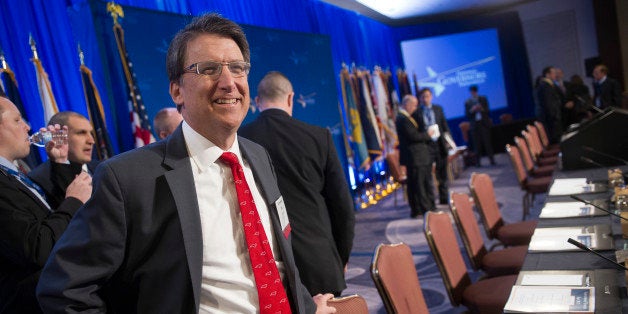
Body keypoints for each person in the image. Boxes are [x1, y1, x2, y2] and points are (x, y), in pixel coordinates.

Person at [36, 14, 335, 313]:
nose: (229, 83)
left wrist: (307, 306)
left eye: (237, 68)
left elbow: (277, 261)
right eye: (209, 69)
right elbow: (64, 290)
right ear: (177, 90)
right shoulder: (127, 178)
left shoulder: (258, 156)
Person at [239, 71, 355, 296]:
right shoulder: (319, 136)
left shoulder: (240, 140)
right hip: (319, 261)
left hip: (266, 268)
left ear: (256, 101)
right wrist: (340, 256)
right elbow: (343, 208)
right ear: (291, 98)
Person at [0, 96, 92, 313]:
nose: (27, 127)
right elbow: (39, 247)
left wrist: (60, 163)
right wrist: (74, 201)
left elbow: (53, 219)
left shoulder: (14, 175)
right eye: (17, 120)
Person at [28, 111, 98, 209]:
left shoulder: (101, 168)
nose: (91, 141)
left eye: (91, 133)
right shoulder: (39, 180)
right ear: (59, 136)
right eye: (81, 133)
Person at [395, 95, 434, 217]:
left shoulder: (406, 117)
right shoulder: (402, 119)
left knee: (417, 184)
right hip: (414, 157)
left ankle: (419, 208)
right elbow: (413, 136)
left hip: (417, 157)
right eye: (413, 105)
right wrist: (428, 135)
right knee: (418, 185)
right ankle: (423, 209)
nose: (415, 108)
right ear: (407, 104)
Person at [414, 88, 451, 205]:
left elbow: (444, 126)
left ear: (431, 96)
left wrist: (448, 141)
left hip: (439, 145)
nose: (425, 99)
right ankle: (431, 201)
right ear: (420, 98)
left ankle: (444, 198)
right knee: (428, 176)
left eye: (427, 96)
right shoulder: (416, 113)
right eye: (423, 97)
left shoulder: (438, 109)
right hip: (426, 147)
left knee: (442, 174)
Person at [464, 85, 495, 166]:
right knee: (476, 145)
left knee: (487, 143)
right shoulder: (468, 102)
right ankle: (478, 162)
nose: (473, 93)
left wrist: (481, 108)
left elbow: (487, 110)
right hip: (475, 125)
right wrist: (472, 110)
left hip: (483, 123)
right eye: (472, 91)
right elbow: (467, 114)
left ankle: (492, 160)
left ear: (476, 91)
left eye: (474, 91)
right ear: (470, 92)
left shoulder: (483, 99)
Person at [534, 66, 564, 144]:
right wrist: (555, 116)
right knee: (556, 141)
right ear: (547, 74)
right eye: (553, 73)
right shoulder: (545, 86)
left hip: (552, 119)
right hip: (551, 121)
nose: (555, 75)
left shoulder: (549, 85)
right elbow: (549, 104)